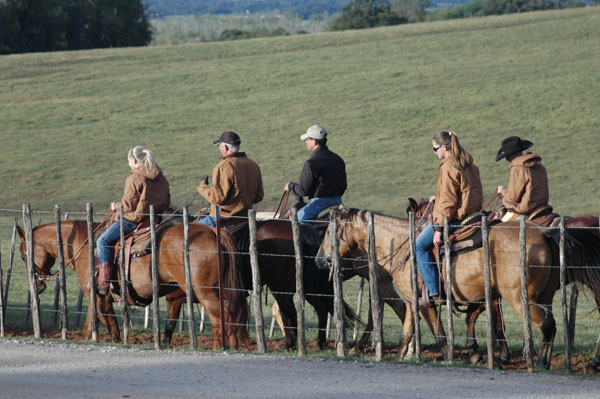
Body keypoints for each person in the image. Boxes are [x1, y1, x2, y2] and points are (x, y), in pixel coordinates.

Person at [416, 130, 483, 306]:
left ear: (444, 147)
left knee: (420, 245)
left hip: (453, 220)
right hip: (473, 216)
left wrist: (439, 228)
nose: (435, 152)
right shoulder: (470, 165)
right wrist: (437, 198)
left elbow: (449, 201)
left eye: (435, 149)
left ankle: (434, 292)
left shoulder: (448, 166)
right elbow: (463, 194)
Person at [96, 146, 170, 296]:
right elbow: (167, 201)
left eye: (129, 161)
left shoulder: (135, 178)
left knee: (102, 241)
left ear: (135, 160)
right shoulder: (161, 177)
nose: (129, 164)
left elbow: (128, 206)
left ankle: (104, 282)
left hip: (133, 220)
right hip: (154, 219)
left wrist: (115, 206)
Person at [197, 131, 264, 226]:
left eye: (219, 146)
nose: (219, 148)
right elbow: (259, 196)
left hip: (224, 217)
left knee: (187, 233)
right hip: (245, 217)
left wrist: (202, 186)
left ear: (225, 148)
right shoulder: (254, 165)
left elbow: (218, 198)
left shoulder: (223, 167)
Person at [284, 125, 347, 224]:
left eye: (307, 139)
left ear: (314, 142)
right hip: (338, 202)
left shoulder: (311, 163)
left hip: (320, 204)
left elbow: (302, 191)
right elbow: (343, 186)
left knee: (295, 222)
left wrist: (290, 186)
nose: (306, 142)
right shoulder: (338, 159)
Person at [495, 136, 549, 222]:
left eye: (507, 156)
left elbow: (512, 198)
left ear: (512, 154)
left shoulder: (518, 168)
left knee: (496, 229)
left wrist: (503, 191)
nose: (507, 159)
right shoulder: (539, 165)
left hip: (525, 208)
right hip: (542, 206)